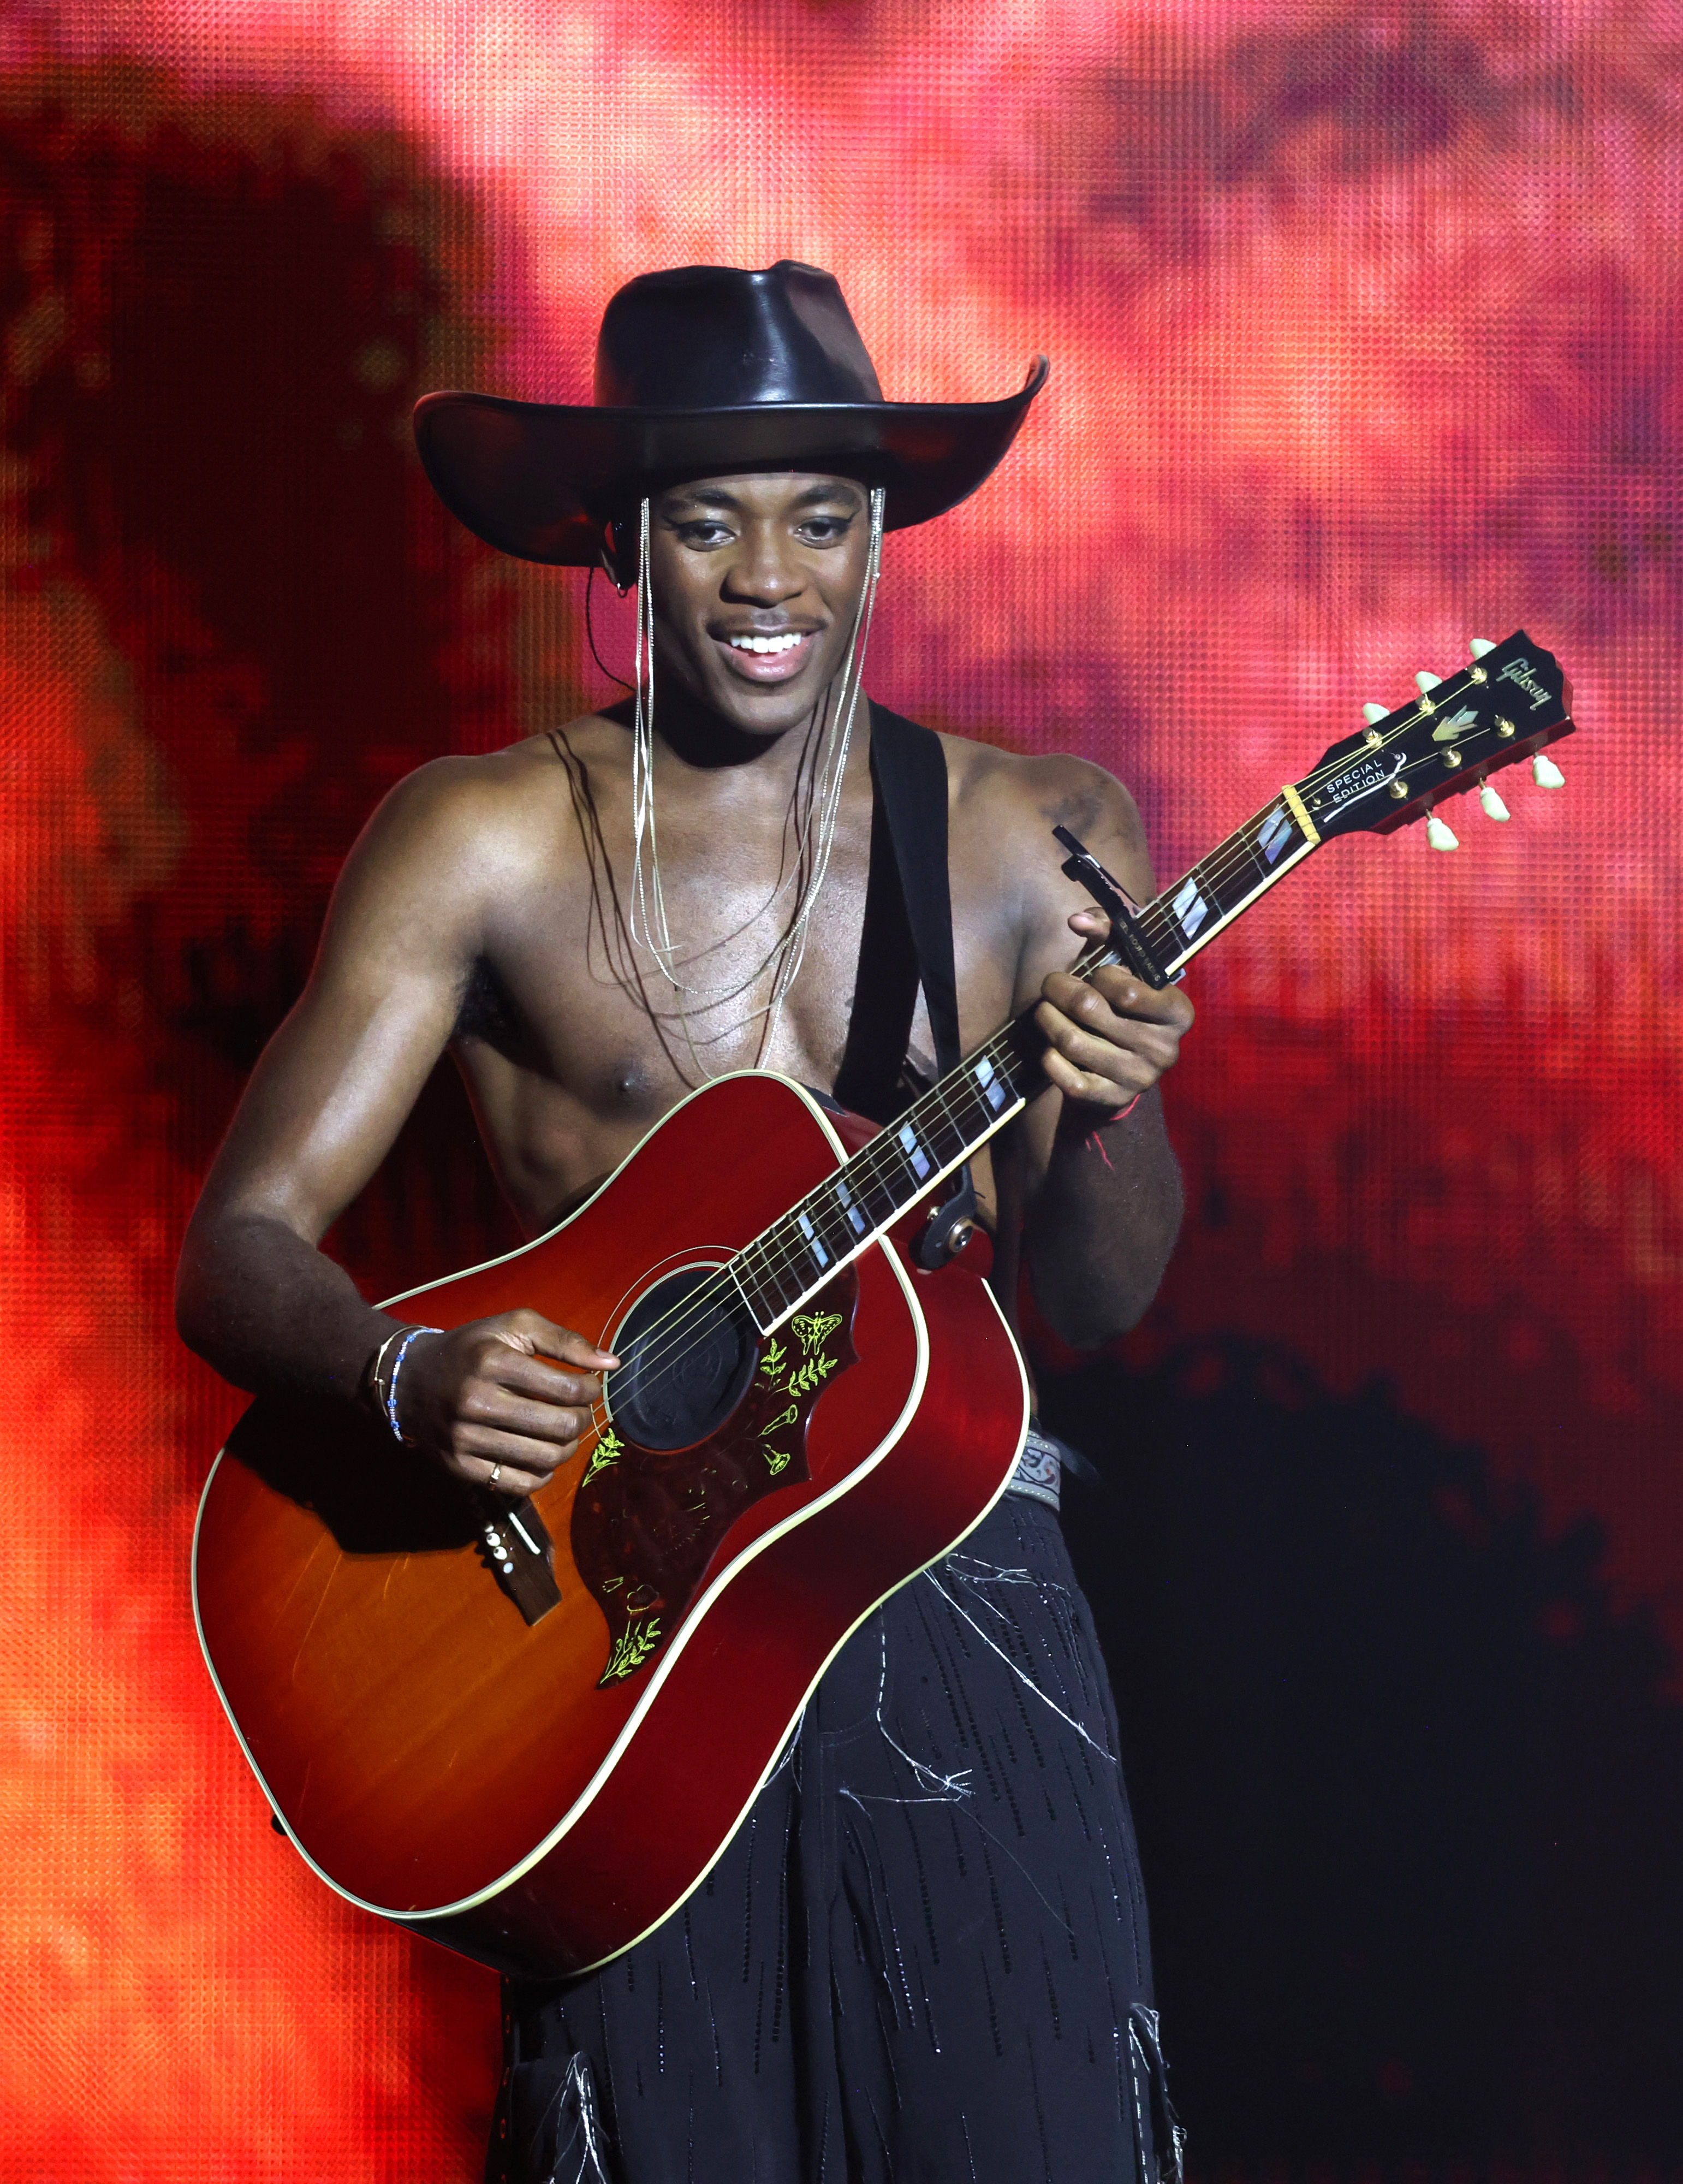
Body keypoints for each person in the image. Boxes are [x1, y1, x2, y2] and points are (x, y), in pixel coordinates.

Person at [177, 261, 1195, 2184]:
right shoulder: (481, 837)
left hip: (945, 1601)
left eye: (821, 518)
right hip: (600, 1665)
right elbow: (235, 1245)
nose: (768, 577)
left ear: (879, 537)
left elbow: (1097, 1295)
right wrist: (402, 1377)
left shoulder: (1027, 835)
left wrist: (1111, 1106)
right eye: (710, 519)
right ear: (622, 543)